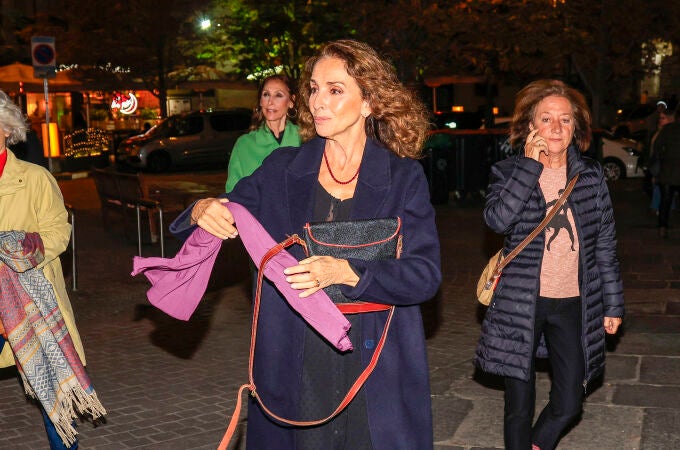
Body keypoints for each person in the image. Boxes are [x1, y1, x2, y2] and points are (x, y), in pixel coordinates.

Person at [171, 39, 441, 449]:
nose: (318, 101)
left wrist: (347, 271)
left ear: (368, 102)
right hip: (296, 354)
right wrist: (201, 209)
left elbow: (425, 276)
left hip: (376, 360)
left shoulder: (403, 177)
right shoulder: (282, 168)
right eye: (314, 88)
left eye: (335, 90)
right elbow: (225, 208)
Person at [474, 79, 624, 450]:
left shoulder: (590, 177)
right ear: (531, 126)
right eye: (546, 119)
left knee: (570, 400)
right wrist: (529, 167)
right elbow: (497, 221)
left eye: (566, 119)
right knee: (518, 406)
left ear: (576, 128)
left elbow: (604, 244)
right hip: (521, 302)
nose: (556, 128)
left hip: (574, 302)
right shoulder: (509, 172)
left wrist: (613, 303)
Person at [0, 90, 105, 449]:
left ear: (5, 128)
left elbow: (59, 232)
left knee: (54, 394)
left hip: (31, 301)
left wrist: (15, 250)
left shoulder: (35, 178)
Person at [225, 74, 301, 192]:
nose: (270, 102)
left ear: (291, 101)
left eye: (278, 95)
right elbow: (233, 194)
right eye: (266, 95)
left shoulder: (305, 140)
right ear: (260, 101)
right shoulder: (244, 145)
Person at [653, 99, 680, 238]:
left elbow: (657, 148)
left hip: (667, 172)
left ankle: (662, 227)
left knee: (665, 201)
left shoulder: (667, 130)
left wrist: (662, 158)